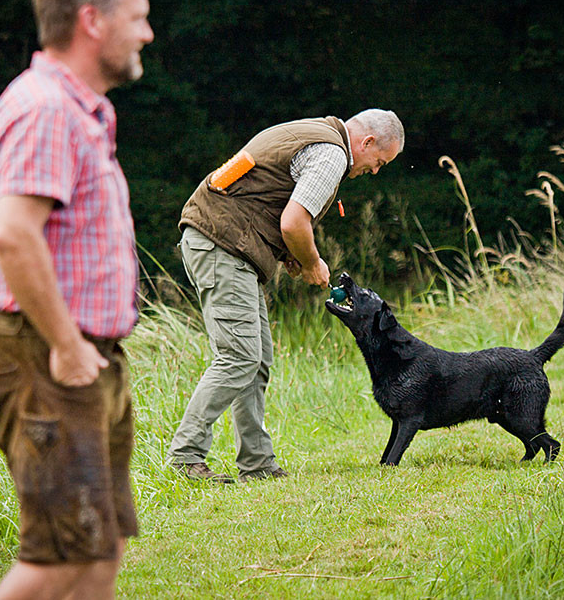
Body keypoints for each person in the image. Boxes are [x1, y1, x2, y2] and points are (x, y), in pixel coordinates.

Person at [0, 0, 153, 600]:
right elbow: (15, 237)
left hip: (81, 353)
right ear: (92, 21)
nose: (148, 33)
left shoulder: (82, 111)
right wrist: (69, 347)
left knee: (97, 549)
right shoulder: (44, 109)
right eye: (137, 17)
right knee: (57, 558)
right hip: (42, 353)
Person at [169, 109, 405, 483]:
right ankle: (185, 457)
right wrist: (311, 261)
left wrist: (289, 254)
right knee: (239, 356)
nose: (375, 171)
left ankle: (257, 463)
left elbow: (262, 196)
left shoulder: (314, 133)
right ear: (367, 142)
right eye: (379, 162)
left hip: (224, 242)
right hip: (222, 246)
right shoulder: (332, 154)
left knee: (256, 359)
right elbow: (294, 221)